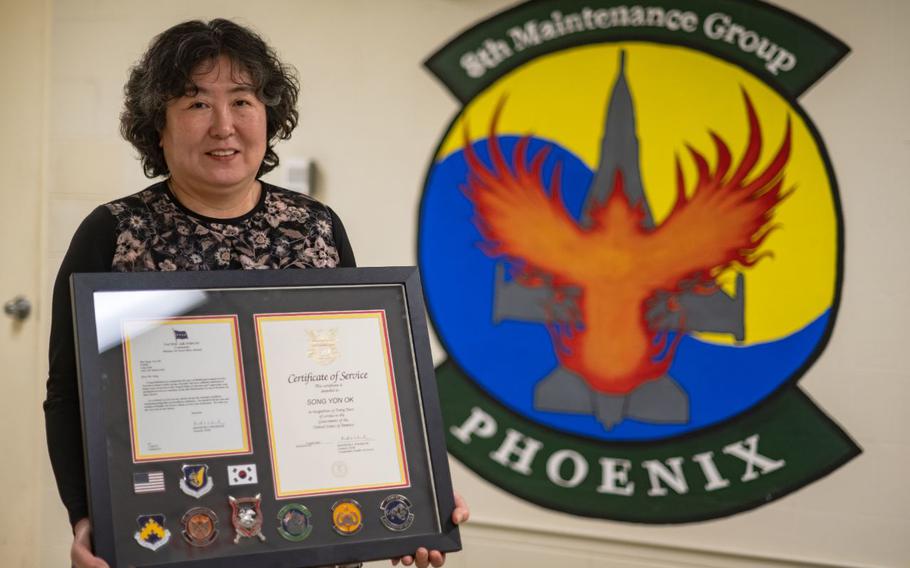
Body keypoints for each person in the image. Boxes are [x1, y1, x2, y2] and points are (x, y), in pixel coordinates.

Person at [43, 19, 467, 568]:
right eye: (196, 104)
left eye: (242, 101)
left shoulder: (315, 226)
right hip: (171, 532)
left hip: (311, 534)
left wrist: (416, 496)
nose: (224, 126)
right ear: (158, 127)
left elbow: (367, 386)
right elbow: (68, 393)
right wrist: (86, 516)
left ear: (269, 116)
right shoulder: (114, 232)